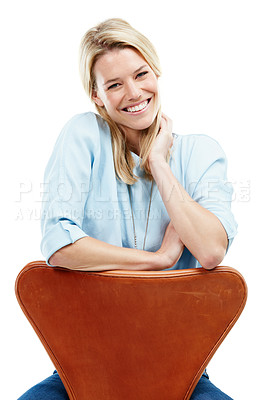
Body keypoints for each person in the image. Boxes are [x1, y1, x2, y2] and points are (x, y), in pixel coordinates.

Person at [18, 18, 237, 400]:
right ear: (97, 95)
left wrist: (159, 163)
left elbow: (211, 250)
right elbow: (58, 244)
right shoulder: (83, 135)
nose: (133, 93)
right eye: (114, 84)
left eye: (141, 74)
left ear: (156, 72)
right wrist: (159, 259)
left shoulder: (200, 151)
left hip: (181, 369)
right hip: (81, 367)